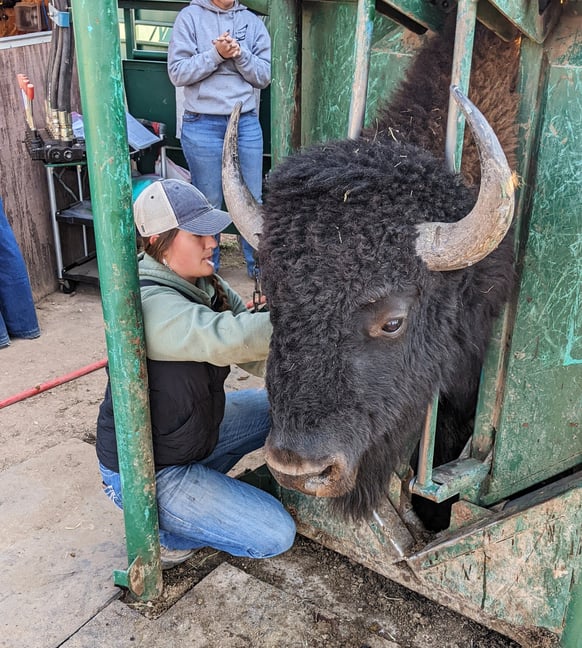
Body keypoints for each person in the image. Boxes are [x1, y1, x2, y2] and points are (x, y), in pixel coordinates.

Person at [96, 179, 295, 568]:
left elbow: (255, 355)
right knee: (275, 534)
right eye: (198, 233)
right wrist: (314, 317)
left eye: (213, 231)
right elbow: (225, 339)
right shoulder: (143, 302)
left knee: (279, 406)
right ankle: (166, 533)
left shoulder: (207, 284)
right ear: (158, 240)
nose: (213, 242)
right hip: (149, 470)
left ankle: (204, 493)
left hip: (188, 433)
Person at [167, 0, 271, 277]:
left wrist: (240, 54)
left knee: (252, 197)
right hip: (202, 121)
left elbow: (264, 76)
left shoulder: (252, 21)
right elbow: (177, 72)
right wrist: (215, 54)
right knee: (207, 201)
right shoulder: (189, 17)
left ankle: (260, 272)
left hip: (244, 120)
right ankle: (208, 270)